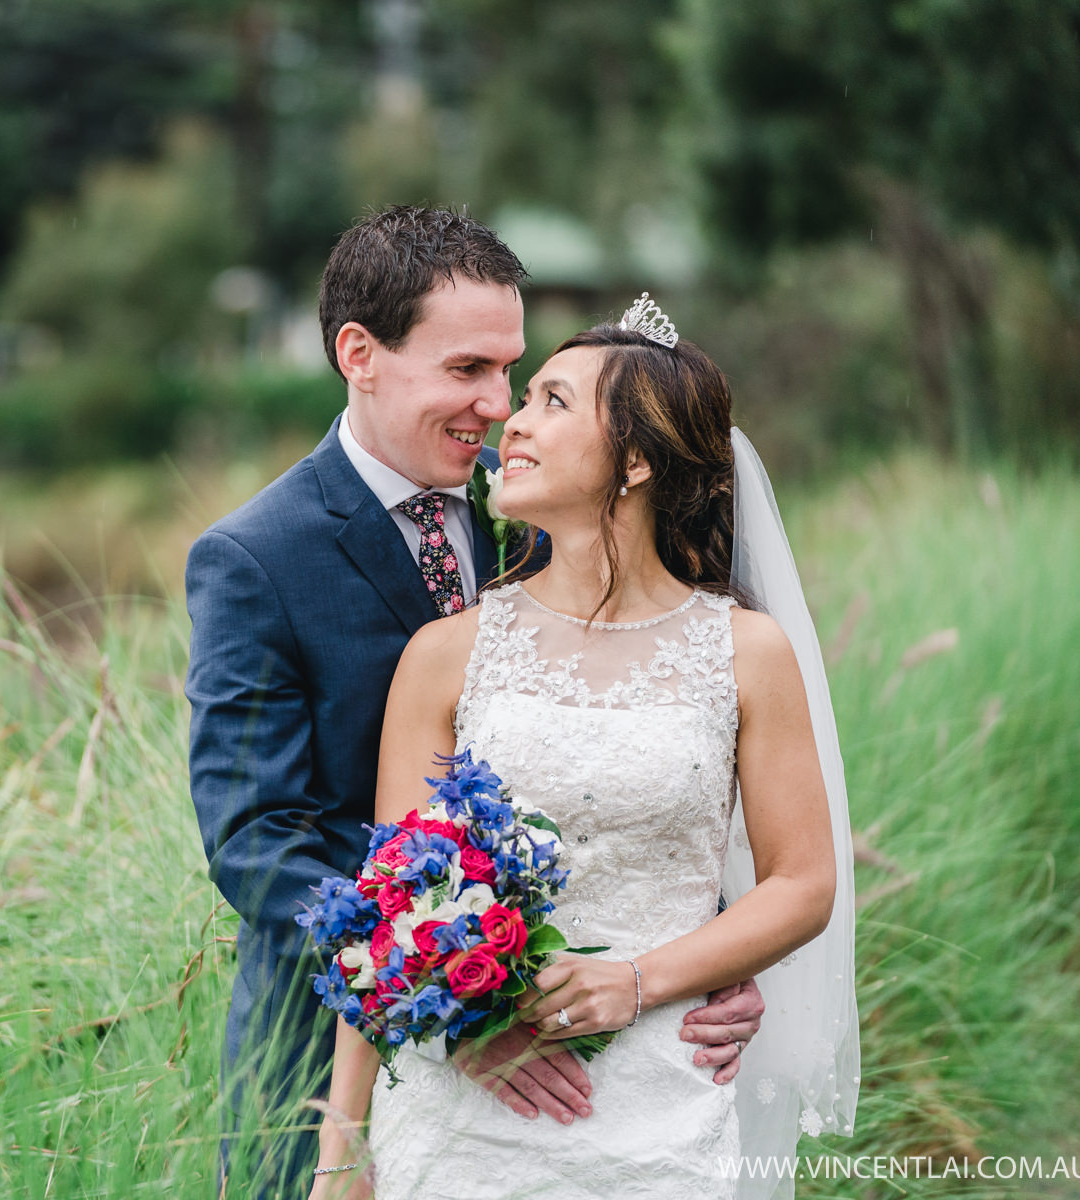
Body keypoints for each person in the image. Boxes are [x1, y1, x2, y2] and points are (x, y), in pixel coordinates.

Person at [184, 208, 766, 1196]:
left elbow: (625, 753)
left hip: (608, 1065)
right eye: (467, 371)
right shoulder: (255, 559)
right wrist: (453, 1005)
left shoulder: (548, 507)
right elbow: (258, 843)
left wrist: (692, 955)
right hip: (333, 1069)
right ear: (360, 354)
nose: (499, 405)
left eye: (513, 370)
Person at [305, 301, 860, 1200]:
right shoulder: (447, 653)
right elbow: (391, 903)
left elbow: (802, 883)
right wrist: (342, 1149)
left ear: (636, 461)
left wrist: (637, 983)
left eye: (552, 403)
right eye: (522, 400)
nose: (510, 423)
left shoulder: (745, 652)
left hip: (666, 1103)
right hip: (465, 1111)